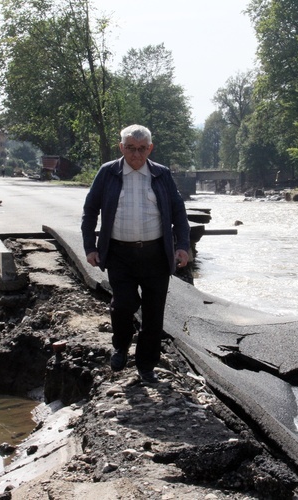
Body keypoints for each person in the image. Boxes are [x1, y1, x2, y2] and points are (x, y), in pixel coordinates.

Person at [81, 124, 190, 384]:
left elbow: (178, 212)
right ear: (122, 147)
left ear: (150, 149)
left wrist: (182, 245)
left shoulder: (161, 174)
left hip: (156, 255)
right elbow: (90, 211)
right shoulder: (108, 172)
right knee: (124, 304)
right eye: (130, 148)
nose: (136, 155)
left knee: (154, 313)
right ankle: (120, 344)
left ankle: (146, 365)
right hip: (119, 254)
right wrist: (90, 247)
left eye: (142, 149)